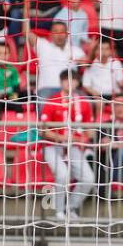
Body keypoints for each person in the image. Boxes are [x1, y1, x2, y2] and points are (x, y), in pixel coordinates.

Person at [39, 71, 96, 221]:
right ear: (61, 82)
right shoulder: (52, 100)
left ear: (78, 82)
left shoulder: (83, 102)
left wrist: (86, 136)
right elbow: (43, 131)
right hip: (51, 146)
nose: (69, 83)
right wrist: (62, 137)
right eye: (66, 80)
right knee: (63, 174)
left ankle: (70, 207)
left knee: (89, 178)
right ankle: (58, 211)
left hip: (73, 146)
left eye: (73, 80)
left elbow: (89, 129)